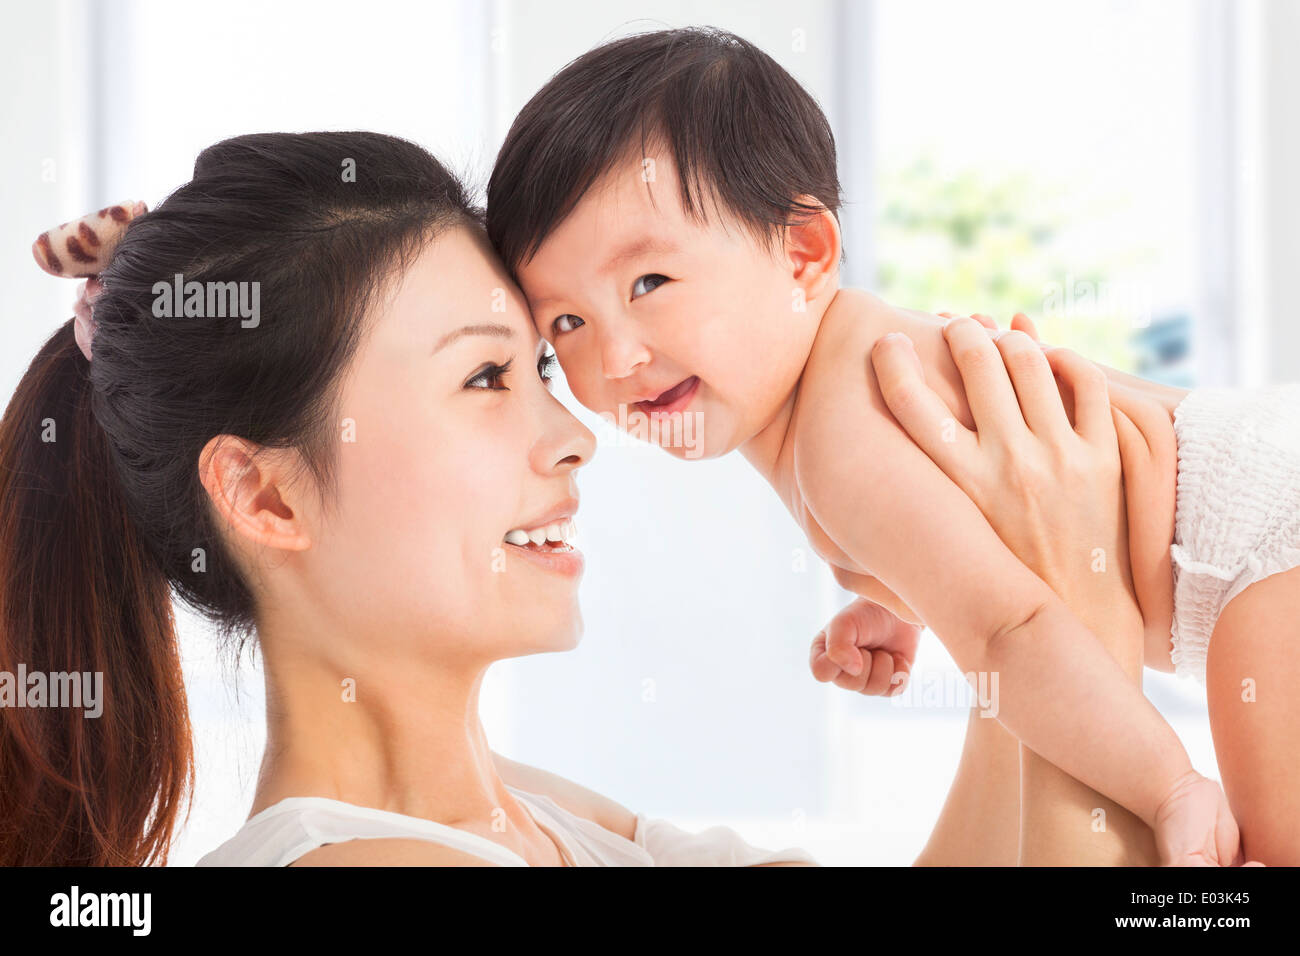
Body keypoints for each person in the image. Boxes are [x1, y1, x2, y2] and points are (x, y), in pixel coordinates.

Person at [8, 130, 1157, 866]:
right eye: (485, 378)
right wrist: (1078, 606)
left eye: (542, 369)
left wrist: (1003, 596)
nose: (572, 436)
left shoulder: (529, 816)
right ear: (264, 496)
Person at [486, 25, 1297, 863]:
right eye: (567, 323)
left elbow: (1014, 630)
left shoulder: (837, 441)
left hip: (1259, 549)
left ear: (803, 253)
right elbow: (980, 551)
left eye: (649, 283)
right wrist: (906, 593)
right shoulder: (840, 394)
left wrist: (1167, 784)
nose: (615, 358)